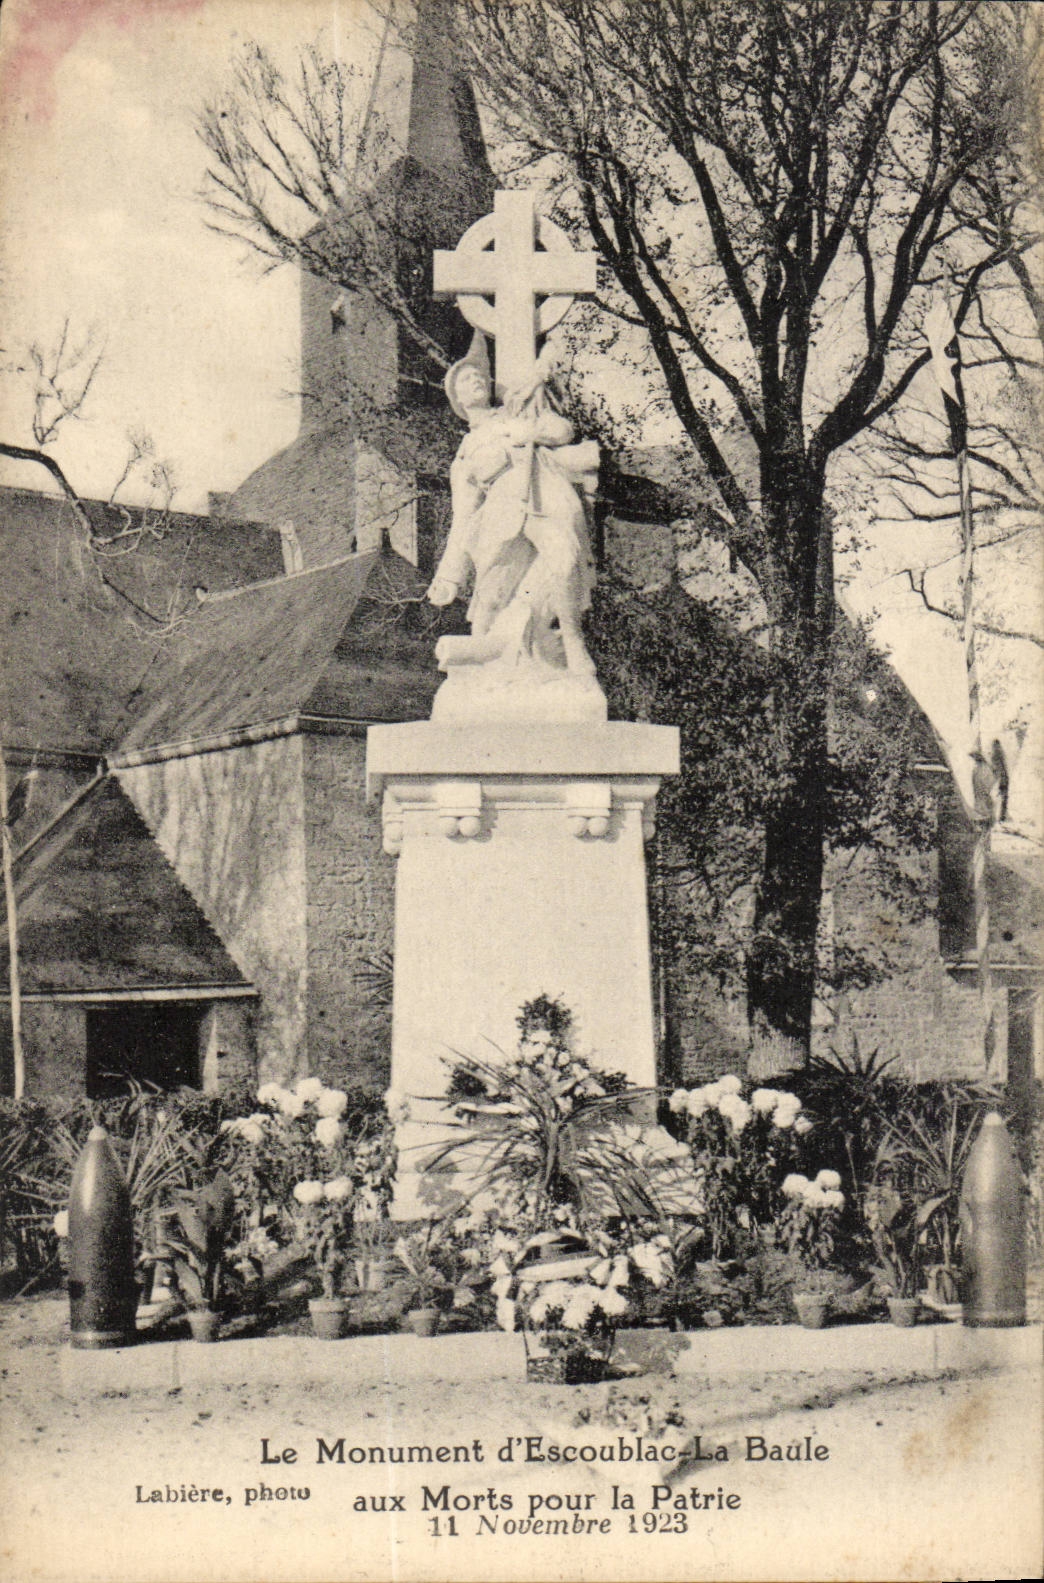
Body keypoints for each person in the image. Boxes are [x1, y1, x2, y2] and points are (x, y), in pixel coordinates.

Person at [427, 333, 599, 677]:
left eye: (478, 376)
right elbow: (462, 517)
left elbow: (563, 430)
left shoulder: (517, 412)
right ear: (458, 400)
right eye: (464, 379)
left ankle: (573, 643)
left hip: (544, 497)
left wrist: (529, 431)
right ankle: (483, 669)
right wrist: (450, 576)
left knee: (565, 562)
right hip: (501, 517)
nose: (474, 379)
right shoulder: (466, 454)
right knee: (490, 600)